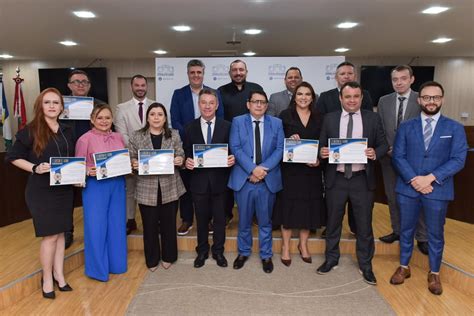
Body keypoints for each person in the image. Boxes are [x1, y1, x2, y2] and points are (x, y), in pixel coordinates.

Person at [390, 81, 467, 295]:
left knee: (435, 233)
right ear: (419, 100)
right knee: (405, 230)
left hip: (438, 190)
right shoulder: (406, 126)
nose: (431, 101)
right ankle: (404, 267)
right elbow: (398, 156)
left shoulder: (454, 128)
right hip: (408, 188)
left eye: (435, 97)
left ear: (442, 99)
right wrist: (415, 179)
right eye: (426, 97)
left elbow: (458, 159)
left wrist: (430, 178)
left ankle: (434, 272)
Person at [317, 81, 388, 285]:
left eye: (356, 96)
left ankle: (366, 265)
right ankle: (331, 259)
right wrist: (322, 152)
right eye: (347, 97)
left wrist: (375, 152)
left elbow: (383, 144)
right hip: (336, 178)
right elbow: (323, 145)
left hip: (361, 180)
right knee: (333, 223)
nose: (352, 100)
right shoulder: (330, 118)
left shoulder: (372, 118)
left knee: (364, 226)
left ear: (361, 98)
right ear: (341, 98)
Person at [7, 88, 75, 299]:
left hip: (64, 189)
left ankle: (59, 275)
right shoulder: (30, 130)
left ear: (62, 107)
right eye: (48, 102)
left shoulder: (67, 129)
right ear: (40, 105)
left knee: (61, 233)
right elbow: (12, 157)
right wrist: (35, 168)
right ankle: (47, 278)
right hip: (41, 190)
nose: (52, 106)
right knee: (50, 235)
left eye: (56, 102)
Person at [315, 61, 374, 237]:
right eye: (342, 74)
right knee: (334, 205)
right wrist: (322, 149)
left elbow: (370, 123)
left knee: (359, 207)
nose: (346, 76)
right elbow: (320, 125)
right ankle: (331, 228)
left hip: (359, 162)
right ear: (336, 77)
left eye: (350, 73)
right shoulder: (325, 97)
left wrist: (370, 149)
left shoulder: (366, 95)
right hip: (335, 162)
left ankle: (356, 228)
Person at [228, 90, 284, 274]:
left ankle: (266, 255)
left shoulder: (276, 123)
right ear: (248, 104)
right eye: (255, 102)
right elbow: (235, 148)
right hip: (244, 180)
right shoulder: (237, 122)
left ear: (267, 105)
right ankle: (243, 252)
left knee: (265, 221)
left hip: (267, 181)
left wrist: (262, 170)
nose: (259, 105)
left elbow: (279, 149)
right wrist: (253, 169)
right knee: (243, 220)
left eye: (262, 102)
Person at [377, 65, 428, 254]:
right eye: (395, 79)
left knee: (417, 197)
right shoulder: (383, 101)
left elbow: (425, 129)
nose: (399, 82)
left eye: (403, 78)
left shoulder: (421, 99)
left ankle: (422, 237)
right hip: (389, 159)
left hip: (414, 161)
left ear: (411, 79)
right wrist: (387, 149)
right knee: (393, 197)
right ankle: (397, 230)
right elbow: (380, 128)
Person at [273, 82, 324, 266]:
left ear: (312, 97)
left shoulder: (320, 117)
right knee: (288, 208)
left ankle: (303, 245)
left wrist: (319, 159)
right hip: (290, 172)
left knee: (307, 209)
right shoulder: (285, 116)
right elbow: (277, 142)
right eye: (300, 93)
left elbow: (323, 143)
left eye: (307, 94)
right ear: (294, 96)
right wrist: (289, 140)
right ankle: (285, 247)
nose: (303, 97)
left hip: (311, 171)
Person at [129, 103, 186, 271]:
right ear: (147, 117)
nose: (156, 117)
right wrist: (133, 163)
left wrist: (180, 160)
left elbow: (181, 153)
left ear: (165, 118)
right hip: (146, 187)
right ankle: (152, 259)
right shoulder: (137, 136)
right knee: (150, 225)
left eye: (160, 114)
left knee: (169, 224)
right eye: (152, 114)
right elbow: (131, 157)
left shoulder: (174, 135)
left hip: (170, 186)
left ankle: (169, 256)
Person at [170, 59, 224, 236]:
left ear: (203, 73)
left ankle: (207, 220)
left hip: (210, 147)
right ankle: (187, 219)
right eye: (192, 72)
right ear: (188, 74)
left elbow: (220, 118)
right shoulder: (178, 94)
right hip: (187, 144)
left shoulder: (213, 93)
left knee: (209, 185)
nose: (196, 75)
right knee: (187, 184)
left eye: (198, 72)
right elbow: (175, 118)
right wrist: (190, 136)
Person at [75, 104, 127, 281]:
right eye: (99, 118)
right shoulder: (84, 139)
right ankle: (98, 270)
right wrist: (87, 170)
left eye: (107, 117)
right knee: (96, 228)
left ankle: (117, 264)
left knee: (117, 225)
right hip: (96, 188)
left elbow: (123, 160)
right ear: (92, 120)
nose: (104, 121)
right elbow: (77, 169)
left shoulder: (119, 137)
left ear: (112, 119)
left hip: (117, 185)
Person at [184, 88, 235, 268]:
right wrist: (186, 162)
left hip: (220, 182)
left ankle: (218, 251)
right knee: (202, 219)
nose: (207, 106)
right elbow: (186, 154)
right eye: (204, 103)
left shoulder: (227, 126)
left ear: (217, 105)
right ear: (199, 104)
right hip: (198, 183)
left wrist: (232, 158)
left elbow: (233, 151)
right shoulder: (189, 127)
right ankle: (202, 251)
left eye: (211, 103)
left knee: (220, 220)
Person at [63, 69, 106, 249]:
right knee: (67, 197)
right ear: (69, 85)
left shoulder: (100, 105)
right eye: (76, 82)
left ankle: (98, 231)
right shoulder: (61, 106)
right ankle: (67, 231)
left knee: (95, 198)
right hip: (69, 157)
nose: (80, 85)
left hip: (94, 159)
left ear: (89, 86)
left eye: (84, 82)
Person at [219, 60, 264, 225]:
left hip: (253, 141)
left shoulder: (256, 88)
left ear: (246, 71)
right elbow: (219, 118)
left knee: (253, 176)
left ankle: (254, 213)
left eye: (241, 69)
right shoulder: (221, 91)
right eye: (235, 70)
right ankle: (227, 212)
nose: (238, 73)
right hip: (229, 142)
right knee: (229, 180)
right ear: (230, 72)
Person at [115, 74, 155, 235]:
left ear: (147, 86)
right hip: (130, 157)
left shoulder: (155, 106)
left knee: (152, 188)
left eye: (142, 85)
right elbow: (121, 134)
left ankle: (154, 221)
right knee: (130, 190)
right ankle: (130, 220)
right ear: (132, 87)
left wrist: (148, 154)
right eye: (137, 85)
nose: (140, 88)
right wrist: (138, 153)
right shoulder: (121, 108)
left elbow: (161, 130)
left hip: (152, 157)